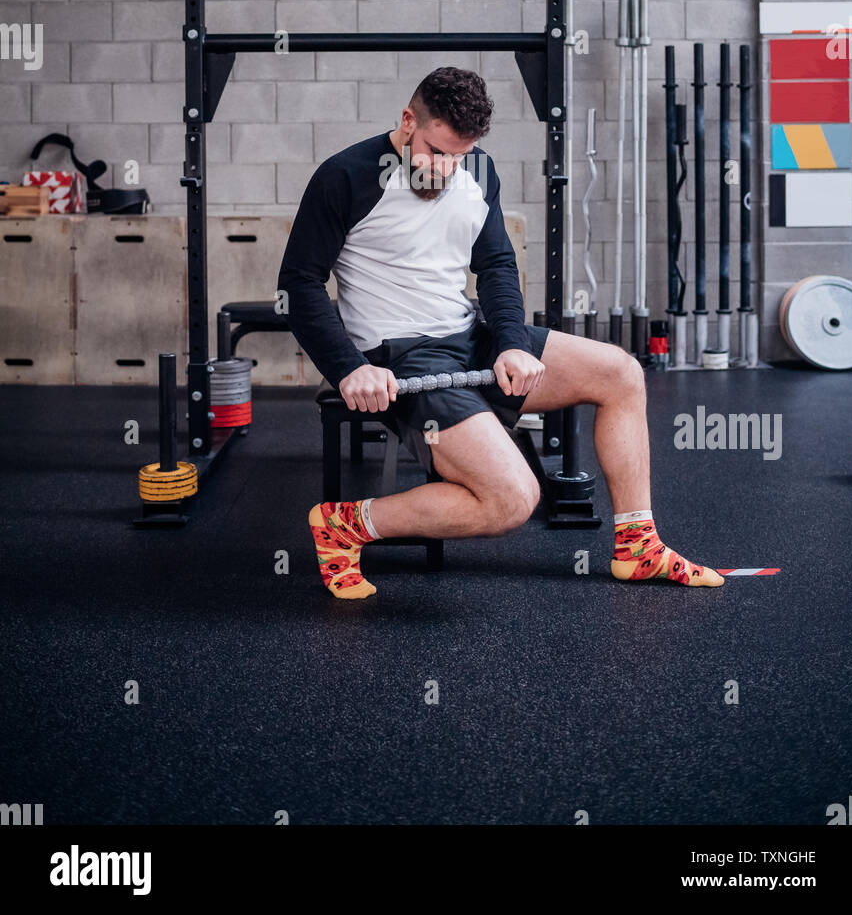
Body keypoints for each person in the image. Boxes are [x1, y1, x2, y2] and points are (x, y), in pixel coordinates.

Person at [278, 66, 724, 600]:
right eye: (436, 152)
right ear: (406, 121)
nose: (446, 169)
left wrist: (512, 341)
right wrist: (350, 368)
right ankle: (345, 524)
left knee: (621, 373)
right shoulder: (344, 177)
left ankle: (638, 546)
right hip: (404, 359)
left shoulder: (479, 172)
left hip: (471, 337)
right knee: (512, 499)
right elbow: (299, 285)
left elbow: (494, 266)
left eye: (459, 156)